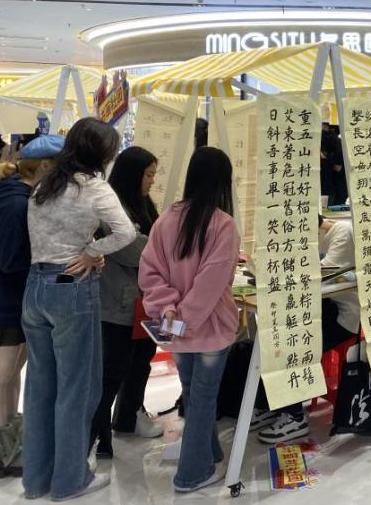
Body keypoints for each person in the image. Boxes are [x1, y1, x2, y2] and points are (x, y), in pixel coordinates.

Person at [22, 118, 136, 500]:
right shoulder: (95, 188)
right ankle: (70, 480)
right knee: (77, 389)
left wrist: (89, 252)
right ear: (102, 153)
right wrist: (91, 252)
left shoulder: (45, 185)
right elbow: (126, 232)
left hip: (35, 288)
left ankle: (36, 481)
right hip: (70, 289)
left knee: (39, 389)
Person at [140, 147, 239, 493]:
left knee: (196, 396)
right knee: (202, 399)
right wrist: (186, 318)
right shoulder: (222, 224)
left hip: (175, 330)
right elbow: (211, 284)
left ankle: (209, 455)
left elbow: (150, 271)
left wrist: (170, 311)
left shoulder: (166, 219)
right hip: (209, 329)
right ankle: (192, 474)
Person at [0, 135, 61, 480]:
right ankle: (2, 450)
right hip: (5, 301)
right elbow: (12, 260)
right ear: (45, 167)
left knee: (9, 374)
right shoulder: (15, 205)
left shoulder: (18, 198)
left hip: (10, 299)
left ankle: (10, 443)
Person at [256, 215, 360, 443]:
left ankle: (295, 417)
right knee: (275, 337)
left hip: (344, 316)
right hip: (322, 308)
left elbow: (323, 274)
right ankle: (275, 405)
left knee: (294, 343)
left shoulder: (342, 232)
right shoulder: (318, 237)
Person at [89, 147, 163, 460]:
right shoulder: (111, 206)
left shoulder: (143, 203)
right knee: (113, 370)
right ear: (133, 175)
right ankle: (97, 436)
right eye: (148, 175)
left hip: (146, 300)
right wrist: (161, 247)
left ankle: (129, 417)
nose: (152, 181)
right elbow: (132, 250)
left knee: (141, 361)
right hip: (118, 302)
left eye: (153, 175)